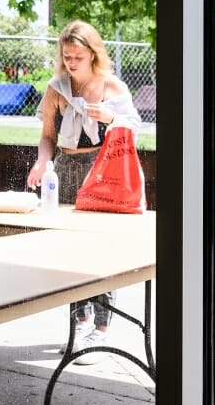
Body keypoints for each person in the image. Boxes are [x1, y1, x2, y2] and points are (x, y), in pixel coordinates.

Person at [26, 20, 142, 365]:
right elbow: (48, 136)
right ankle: (81, 322)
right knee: (67, 251)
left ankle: (102, 331)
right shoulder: (56, 88)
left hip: (102, 170)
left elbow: (133, 128)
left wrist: (111, 116)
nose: (72, 62)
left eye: (78, 56)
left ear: (94, 54)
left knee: (100, 251)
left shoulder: (111, 87)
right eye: (66, 56)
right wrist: (41, 163)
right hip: (65, 170)